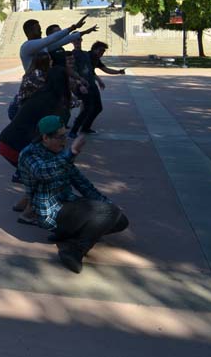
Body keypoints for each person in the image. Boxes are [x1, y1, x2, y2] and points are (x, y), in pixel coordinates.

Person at [18, 115, 129, 273]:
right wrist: (71, 153)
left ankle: (66, 234)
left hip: (67, 203)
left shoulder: (58, 152)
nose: (64, 140)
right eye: (60, 136)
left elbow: (82, 183)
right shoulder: (29, 154)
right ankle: (74, 251)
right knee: (108, 213)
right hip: (49, 210)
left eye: (65, 135)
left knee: (120, 220)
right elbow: (43, 172)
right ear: (45, 138)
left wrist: (108, 204)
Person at [0, 67, 72, 220]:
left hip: (6, 141)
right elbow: (50, 134)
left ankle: (23, 202)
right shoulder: (53, 102)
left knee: (38, 172)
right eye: (70, 79)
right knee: (47, 174)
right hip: (14, 146)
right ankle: (28, 213)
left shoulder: (42, 94)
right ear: (64, 83)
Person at [69, 40, 125, 137]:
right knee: (87, 108)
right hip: (83, 84)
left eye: (103, 51)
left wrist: (119, 72)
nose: (101, 53)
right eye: (100, 51)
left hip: (91, 84)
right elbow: (74, 70)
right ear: (94, 49)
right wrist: (79, 83)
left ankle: (85, 127)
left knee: (98, 108)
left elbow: (101, 69)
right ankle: (74, 130)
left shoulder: (91, 57)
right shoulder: (82, 55)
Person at [19, 16, 96, 72]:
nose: (41, 32)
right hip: (34, 84)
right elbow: (51, 39)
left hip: (45, 83)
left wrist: (85, 32)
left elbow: (64, 40)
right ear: (30, 31)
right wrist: (73, 27)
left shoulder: (43, 47)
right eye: (38, 29)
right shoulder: (26, 46)